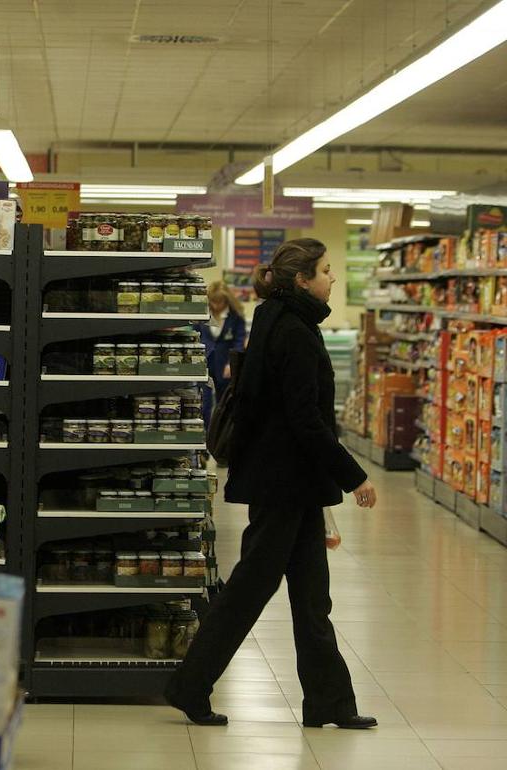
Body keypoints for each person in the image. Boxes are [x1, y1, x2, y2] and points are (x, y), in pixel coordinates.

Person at [164, 238, 379, 730]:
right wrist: (355, 475)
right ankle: (189, 685)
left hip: (288, 483)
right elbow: (306, 421)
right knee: (248, 591)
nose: (332, 279)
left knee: (311, 596)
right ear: (302, 280)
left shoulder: (273, 318)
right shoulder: (296, 333)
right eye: (326, 271)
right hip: (284, 483)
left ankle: (329, 703)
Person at [197, 281, 248, 424]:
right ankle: (204, 437)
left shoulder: (236, 316)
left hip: (225, 366)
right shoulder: (202, 314)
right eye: (213, 302)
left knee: (224, 405)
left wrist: (231, 364)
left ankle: (220, 439)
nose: (216, 306)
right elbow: (194, 334)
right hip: (204, 364)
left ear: (226, 300)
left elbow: (239, 341)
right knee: (204, 404)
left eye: (220, 302)